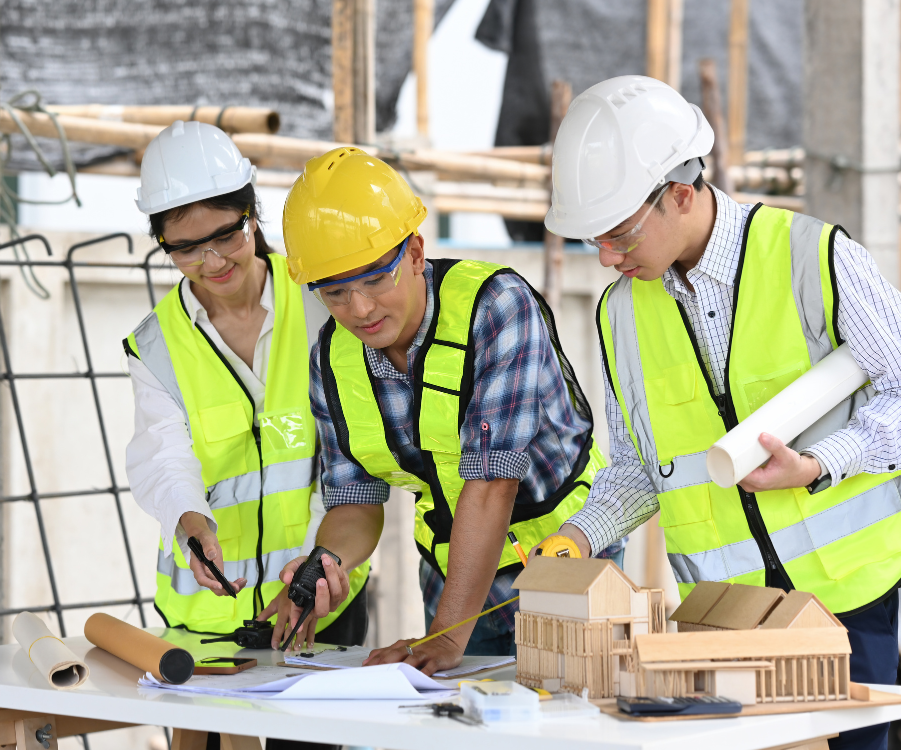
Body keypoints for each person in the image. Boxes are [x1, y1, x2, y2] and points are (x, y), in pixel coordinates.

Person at [542, 75, 901, 750]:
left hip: (858, 606)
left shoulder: (810, 256)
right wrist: (578, 539)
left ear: (680, 192)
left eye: (617, 234)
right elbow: (639, 470)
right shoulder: (619, 312)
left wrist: (823, 463)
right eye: (595, 240)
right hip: (726, 622)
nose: (606, 257)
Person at [272, 146, 621, 674]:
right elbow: (355, 503)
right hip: (452, 573)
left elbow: (490, 483)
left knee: (562, 724)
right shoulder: (330, 356)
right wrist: (325, 565)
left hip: (563, 562)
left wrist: (447, 634)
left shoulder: (496, 306)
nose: (360, 309)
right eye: (336, 292)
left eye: (374, 279)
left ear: (414, 252)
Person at [123, 121, 370, 653]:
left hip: (320, 606)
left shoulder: (320, 308)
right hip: (203, 621)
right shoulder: (155, 346)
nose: (211, 262)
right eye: (185, 248)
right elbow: (164, 458)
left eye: (225, 236)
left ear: (252, 216)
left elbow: (351, 460)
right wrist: (191, 523)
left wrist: (316, 569)